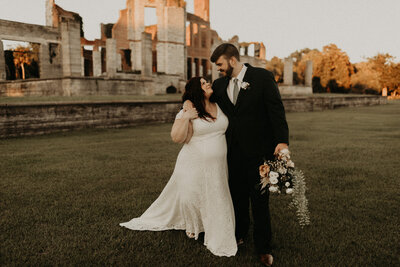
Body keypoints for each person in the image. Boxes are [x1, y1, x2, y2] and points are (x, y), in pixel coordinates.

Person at [185, 43, 289, 266]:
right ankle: (239, 235)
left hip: (259, 154)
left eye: (220, 65)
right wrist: (186, 103)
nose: (218, 70)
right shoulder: (220, 85)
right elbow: (201, 100)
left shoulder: (262, 77)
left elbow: (276, 110)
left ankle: (263, 248)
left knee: (260, 203)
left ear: (232, 60)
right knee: (236, 198)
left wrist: (282, 141)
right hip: (231, 155)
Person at [120, 77, 238, 257]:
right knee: (190, 195)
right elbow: (176, 137)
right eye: (203, 83)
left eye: (208, 81)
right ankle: (192, 226)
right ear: (196, 90)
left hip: (218, 166)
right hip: (192, 162)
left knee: (215, 194)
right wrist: (186, 117)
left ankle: (212, 225)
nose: (208, 84)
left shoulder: (219, 104)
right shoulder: (189, 110)